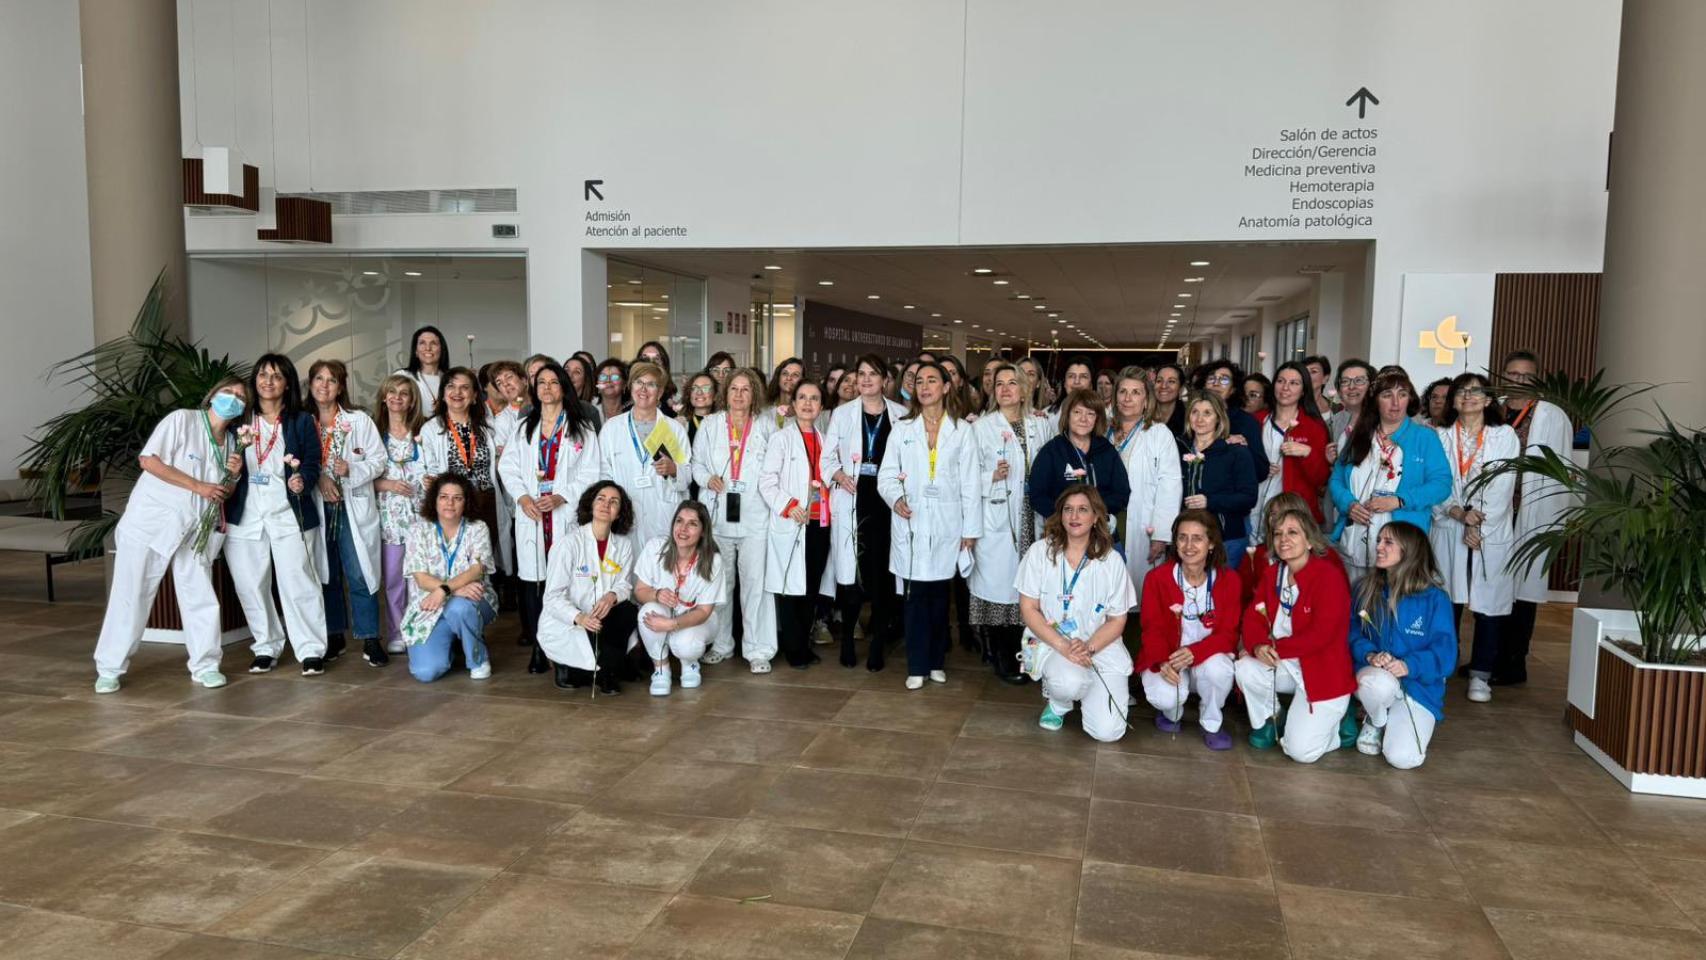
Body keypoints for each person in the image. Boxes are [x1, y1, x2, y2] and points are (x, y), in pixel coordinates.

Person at [92, 378, 249, 693]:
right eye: (228, 392)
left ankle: (205, 666)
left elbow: (224, 492)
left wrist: (233, 474)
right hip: (151, 524)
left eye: (241, 397)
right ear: (213, 395)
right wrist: (198, 486)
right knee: (131, 595)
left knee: (200, 596)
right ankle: (109, 667)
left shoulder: (233, 443)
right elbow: (148, 461)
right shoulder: (182, 420)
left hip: (196, 529)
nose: (233, 399)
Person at [878, 361, 982, 689]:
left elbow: (971, 485)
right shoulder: (903, 429)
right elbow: (886, 475)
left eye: (932, 381)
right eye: (919, 381)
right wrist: (896, 498)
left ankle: (936, 661)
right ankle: (916, 664)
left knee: (940, 598)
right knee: (915, 597)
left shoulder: (961, 431)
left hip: (948, 524)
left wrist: (969, 531)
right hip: (912, 523)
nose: (925, 387)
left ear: (947, 387)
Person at [224, 354, 330, 675]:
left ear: (287, 384)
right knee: (250, 584)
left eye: (276, 376)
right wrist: (231, 471)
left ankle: (311, 649)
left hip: (289, 512)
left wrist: (304, 480)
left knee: (299, 581)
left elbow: (312, 461)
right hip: (246, 514)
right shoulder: (238, 418)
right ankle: (265, 646)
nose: (268, 382)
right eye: (262, 375)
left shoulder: (300, 421)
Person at [500, 361, 601, 672]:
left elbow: (592, 470)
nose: (546, 388)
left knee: (563, 581)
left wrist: (562, 495)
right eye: (541, 382)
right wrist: (522, 496)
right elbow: (508, 467)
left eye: (554, 382)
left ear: (564, 388)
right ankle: (538, 647)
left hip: (562, 514)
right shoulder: (523, 427)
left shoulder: (581, 428)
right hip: (532, 514)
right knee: (533, 583)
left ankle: (564, 645)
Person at [1234, 504, 1355, 763]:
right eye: (1278, 534)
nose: (1283, 540)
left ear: (1310, 540)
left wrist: (1275, 648)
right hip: (1286, 662)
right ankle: (1273, 717)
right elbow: (1254, 615)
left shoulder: (1328, 577)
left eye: (1292, 533)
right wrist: (1257, 646)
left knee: (1300, 752)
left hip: (1322, 671)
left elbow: (1322, 634)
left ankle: (1333, 724)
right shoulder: (1273, 573)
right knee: (1245, 667)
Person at [1018, 485, 1136, 742]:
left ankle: (1088, 686)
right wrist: (1063, 646)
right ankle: (1059, 704)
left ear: (1096, 517)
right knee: (1068, 682)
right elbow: (1028, 608)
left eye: (1083, 510)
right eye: (1068, 510)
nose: (1074, 516)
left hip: (1099, 646)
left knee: (1108, 733)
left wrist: (1089, 648)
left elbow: (1118, 620)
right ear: (1060, 515)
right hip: (1054, 643)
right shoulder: (1040, 552)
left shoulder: (1111, 560)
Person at [1432, 372, 1520, 702]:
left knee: (1488, 605)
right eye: (1461, 392)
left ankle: (1481, 674)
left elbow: (1503, 486)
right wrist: (1459, 514)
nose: (1468, 396)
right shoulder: (1439, 437)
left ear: (1488, 400)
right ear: (1452, 400)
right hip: (1449, 527)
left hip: (1488, 531)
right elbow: (1436, 483)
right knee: (1446, 603)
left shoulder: (1504, 436)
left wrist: (1476, 524)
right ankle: (1441, 668)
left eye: (1476, 392)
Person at [967, 362, 1053, 683]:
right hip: (999, 518)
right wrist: (991, 476)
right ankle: (1001, 654)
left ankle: (1027, 656)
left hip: (1035, 516)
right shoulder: (981, 428)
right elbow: (964, 477)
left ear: (1024, 389)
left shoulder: (1040, 425)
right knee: (1000, 588)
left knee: (1032, 589)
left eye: (1012, 383)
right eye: (999, 383)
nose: (1005, 389)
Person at [1495, 350, 1574, 687]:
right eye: (1513, 373)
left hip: (1530, 511)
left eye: (1526, 375)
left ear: (1537, 378)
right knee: (1493, 588)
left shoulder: (1551, 415)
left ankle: (1515, 662)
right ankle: (1489, 656)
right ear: (1502, 375)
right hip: (1496, 510)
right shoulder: (1493, 409)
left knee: (1523, 592)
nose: (1518, 381)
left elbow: (1562, 467)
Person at [824, 355, 906, 672]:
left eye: (874, 374)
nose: (867, 379)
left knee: (882, 575)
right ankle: (847, 638)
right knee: (852, 574)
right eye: (862, 374)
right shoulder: (843, 414)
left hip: (886, 503)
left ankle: (876, 645)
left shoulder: (900, 415)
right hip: (853, 499)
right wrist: (838, 474)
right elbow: (828, 457)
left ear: (885, 380)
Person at [1351, 521, 1457, 768]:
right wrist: (1370, 655)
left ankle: (1394, 717)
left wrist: (1410, 665)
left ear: (1409, 551)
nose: (1379, 547)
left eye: (1388, 542)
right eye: (1379, 540)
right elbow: (1351, 633)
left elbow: (1446, 653)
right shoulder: (1364, 589)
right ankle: (1376, 719)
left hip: (1417, 688)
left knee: (1403, 759)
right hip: (1377, 678)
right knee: (1377, 684)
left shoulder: (1435, 598)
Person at [1329, 369, 1452, 580]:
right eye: (1387, 395)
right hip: (1354, 542)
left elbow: (1442, 484)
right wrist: (1348, 504)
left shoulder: (1424, 437)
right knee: (1355, 607)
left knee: (1392, 607)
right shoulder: (1360, 435)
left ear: (1410, 399)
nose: (1395, 403)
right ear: (1375, 400)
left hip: (1401, 548)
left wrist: (1399, 501)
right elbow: (1337, 479)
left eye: (1402, 394)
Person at [693, 367, 776, 671]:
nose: (739, 395)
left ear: (754, 394)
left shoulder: (766, 426)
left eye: (746, 389)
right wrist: (707, 478)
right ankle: (723, 643)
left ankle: (758, 650)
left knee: (756, 585)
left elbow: (774, 468)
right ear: (724, 393)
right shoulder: (711, 425)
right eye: (733, 389)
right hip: (719, 515)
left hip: (755, 516)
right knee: (720, 584)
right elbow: (696, 463)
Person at [1137, 510, 1242, 749]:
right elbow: (1151, 628)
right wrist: (1163, 662)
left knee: (1218, 670)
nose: (1188, 545)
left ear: (1212, 542)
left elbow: (1229, 633)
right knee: (1165, 696)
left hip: (1207, 658)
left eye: (1197, 538)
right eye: (1182, 537)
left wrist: (1197, 652)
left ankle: (1212, 723)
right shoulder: (1157, 578)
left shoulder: (1229, 580)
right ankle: (1171, 712)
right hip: (1169, 657)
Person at [307, 360, 388, 667]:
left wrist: (351, 469)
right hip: (318, 506)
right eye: (318, 379)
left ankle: (370, 637)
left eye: (331, 380)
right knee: (325, 574)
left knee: (359, 572)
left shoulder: (358, 421)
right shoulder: (303, 422)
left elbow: (379, 460)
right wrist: (321, 477)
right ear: (311, 384)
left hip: (351, 504)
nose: (324, 385)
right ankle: (334, 635)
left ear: (340, 387)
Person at [537, 481, 640, 694]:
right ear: (590, 505)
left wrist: (611, 596)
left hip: (604, 618)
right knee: (576, 677)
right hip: (571, 621)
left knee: (627, 611)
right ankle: (570, 665)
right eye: (600, 499)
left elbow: (624, 585)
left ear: (619, 513)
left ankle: (606, 673)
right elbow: (552, 597)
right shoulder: (568, 544)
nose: (606, 504)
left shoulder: (623, 545)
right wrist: (579, 617)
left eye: (614, 502)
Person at [760, 380, 835, 670]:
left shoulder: (826, 440)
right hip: (793, 522)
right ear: (792, 404)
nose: (807, 403)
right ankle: (794, 649)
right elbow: (767, 481)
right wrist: (789, 506)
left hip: (820, 523)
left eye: (814, 398)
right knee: (792, 589)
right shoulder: (782, 438)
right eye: (802, 397)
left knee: (811, 587)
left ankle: (803, 643)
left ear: (821, 406)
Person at [400, 473, 497, 682]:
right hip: (430, 608)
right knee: (426, 673)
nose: (449, 503)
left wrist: (445, 590)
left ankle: (477, 659)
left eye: (457, 498)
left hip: (472, 601)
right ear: (434, 500)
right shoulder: (418, 530)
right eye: (443, 497)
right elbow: (421, 578)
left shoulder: (477, 528)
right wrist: (456, 589)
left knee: (460, 608)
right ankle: (454, 644)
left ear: (466, 501)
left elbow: (477, 570)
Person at [635, 501, 726, 695]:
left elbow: (703, 611)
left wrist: (671, 625)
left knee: (686, 643)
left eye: (692, 524)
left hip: (700, 621)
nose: (683, 529)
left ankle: (690, 664)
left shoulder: (713, 560)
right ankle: (661, 669)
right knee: (647, 612)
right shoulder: (655, 548)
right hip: (666, 613)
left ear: (703, 531)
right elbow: (640, 591)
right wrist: (656, 594)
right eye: (679, 521)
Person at [598, 361, 691, 547]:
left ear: (660, 392)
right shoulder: (612, 428)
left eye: (651, 384)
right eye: (638, 382)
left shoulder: (674, 429)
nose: (644, 389)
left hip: (662, 515)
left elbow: (687, 474)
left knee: (660, 569)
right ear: (630, 386)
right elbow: (603, 474)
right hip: (623, 513)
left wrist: (674, 470)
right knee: (623, 568)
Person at [1108, 368, 1181, 605]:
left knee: (1140, 593)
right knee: (1107, 589)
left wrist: (1161, 533)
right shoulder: (1103, 430)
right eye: (1123, 392)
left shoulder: (1159, 433)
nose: (1127, 399)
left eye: (1136, 393)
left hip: (1141, 523)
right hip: (1107, 519)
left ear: (1146, 399)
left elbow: (1169, 486)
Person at [421, 367, 503, 552]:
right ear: (443, 395)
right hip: (453, 503)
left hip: (485, 501)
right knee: (455, 553)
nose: (457, 392)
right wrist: (429, 479)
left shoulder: (488, 428)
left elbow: (501, 464)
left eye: (464, 388)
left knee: (484, 557)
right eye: (451, 386)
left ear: (475, 396)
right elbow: (428, 467)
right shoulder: (431, 429)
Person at [374, 374, 428, 658]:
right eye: (391, 392)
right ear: (384, 397)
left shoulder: (423, 433)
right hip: (390, 520)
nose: (397, 397)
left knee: (420, 578)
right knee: (394, 580)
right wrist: (389, 484)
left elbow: (434, 468)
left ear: (412, 401)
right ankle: (396, 633)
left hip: (420, 519)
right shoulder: (374, 434)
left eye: (404, 393)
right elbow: (362, 478)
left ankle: (418, 629)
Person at [1029, 388, 1131, 535]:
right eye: (1077, 412)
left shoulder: (1106, 450)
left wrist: (1093, 513)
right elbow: (1037, 495)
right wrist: (1065, 517)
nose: (1084, 419)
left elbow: (1122, 492)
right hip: (1061, 532)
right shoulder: (1052, 451)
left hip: (1101, 530)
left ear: (1097, 419)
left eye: (1090, 414)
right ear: (1067, 415)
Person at [1253, 361, 1331, 541]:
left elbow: (1321, 479)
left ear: (1303, 390)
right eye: (1280, 381)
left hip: (1295, 515)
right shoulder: (1256, 421)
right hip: (1256, 509)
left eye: (1294, 383)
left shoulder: (1314, 427)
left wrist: (1307, 454)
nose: (1285, 388)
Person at [1179, 392, 1259, 561]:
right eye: (1195, 412)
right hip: (1186, 539)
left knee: (1222, 586)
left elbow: (1248, 497)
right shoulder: (1177, 449)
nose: (1200, 418)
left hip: (1226, 539)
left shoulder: (1236, 453)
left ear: (1219, 418)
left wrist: (1210, 501)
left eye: (1207, 413)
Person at [1193, 359, 1270, 484]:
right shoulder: (1191, 417)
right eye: (1211, 378)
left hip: (1228, 495)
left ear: (1233, 389)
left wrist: (1243, 449)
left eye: (1224, 379)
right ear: (1203, 385)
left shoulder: (1246, 422)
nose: (1216, 383)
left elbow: (1261, 471)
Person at [398, 325, 448, 417]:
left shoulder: (451, 379)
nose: (428, 348)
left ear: (441, 350)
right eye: (422, 343)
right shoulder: (402, 376)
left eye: (433, 343)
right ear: (416, 351)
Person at [1328, 359, 1374, 453]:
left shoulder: (1383, 422)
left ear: (1371, 386)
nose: (1351, 387)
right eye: (1345, 381)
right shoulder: (1332, 423)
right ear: (1339, 390)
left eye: (1359, 380)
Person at [635, 340, 678, 417]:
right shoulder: (629, 393)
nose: (651, 363)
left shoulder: (675, 397)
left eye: (656, 359)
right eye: (645, 358)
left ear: (664, 364)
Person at [763, 357, 805, 430]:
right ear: (778, 377)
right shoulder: (765, 410)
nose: (789, 378)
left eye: (795, 375)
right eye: (785, 373)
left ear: (803, 380)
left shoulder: (807, 412)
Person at [563, 355, 603, 426]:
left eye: (577, 372)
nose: (570, 375)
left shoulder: (591, 410)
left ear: (585, 379)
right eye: (566, 370)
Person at [1154, 363, 1187, 436]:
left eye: (1171, 381)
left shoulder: (1188, 420)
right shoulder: (1142, 415)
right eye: (1159, 381)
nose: (1163, 386)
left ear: (1181, 389)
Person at [594, 358, 629, 422]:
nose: (608, 380)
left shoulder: (632, 412)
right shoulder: (589, 412)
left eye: (615, 377)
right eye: (603, 377)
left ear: (624, 385)